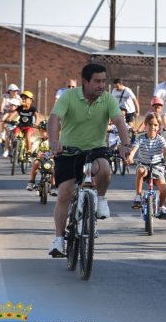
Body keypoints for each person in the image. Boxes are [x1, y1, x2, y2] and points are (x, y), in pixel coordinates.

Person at [47, 63, 131, 257]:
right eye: (97, 81)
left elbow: (119, 121)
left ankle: (100, 199)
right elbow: (54, 119)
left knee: (105, 169)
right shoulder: (69, 96)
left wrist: (125, 144)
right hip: (68, 152)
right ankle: (59, 240)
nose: (101, 85)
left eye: (104, 81)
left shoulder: (108, 99)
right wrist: (54, 141)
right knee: (64, 195)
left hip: (95, 151)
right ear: (85, 82)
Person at [127, 112, 166, 218]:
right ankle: (138, 196)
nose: (152, 127)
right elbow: (134, 149)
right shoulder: (141, 138)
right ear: (145, 125)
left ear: (159, 127)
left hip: (157, 167)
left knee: (163, 188)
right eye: (150, 124)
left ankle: (161, 206)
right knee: (140, 171)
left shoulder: (160, 139)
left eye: (155, 125)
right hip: (144, 165)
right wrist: (130, 157)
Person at [26, 121, 57, 195]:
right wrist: (32, 152)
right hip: (40, 159)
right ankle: (31, 182)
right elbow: (34, 147)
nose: (42, 133)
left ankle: (53, 186)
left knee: (54, 168)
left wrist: (56, 153)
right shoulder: (38, 140)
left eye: (44, 131)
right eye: (41, 131)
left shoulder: (54, 140)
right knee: (36, 163)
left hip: (51, 159)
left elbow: (57, 149)